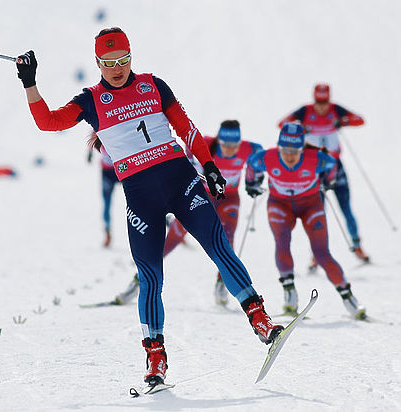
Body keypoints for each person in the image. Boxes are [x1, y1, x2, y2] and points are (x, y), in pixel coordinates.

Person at [15, 27, 284, 386]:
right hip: (141, 197)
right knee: (151, 277)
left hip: (180, 179)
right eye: (109, 62)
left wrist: (209, 166)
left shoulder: (153, 85)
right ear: (98, 62)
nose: (117, 68)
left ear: (131, 57)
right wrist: (30, 83)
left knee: (219, 246)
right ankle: (155, 357)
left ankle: (260, 319)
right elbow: (48, 122)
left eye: (123, 60)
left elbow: (186, 128)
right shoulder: (90, 100)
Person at [245, 122, 366, 319]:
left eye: (296, 151)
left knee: (321, 254)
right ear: (279, 147)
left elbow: (332, 164)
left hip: (311, 205)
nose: (290, 156)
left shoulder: (316, 158)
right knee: (282, 244)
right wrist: (251, 183)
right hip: (279, 204)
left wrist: (329, 180)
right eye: (285, 150)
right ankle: (290, 295)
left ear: (303, 149)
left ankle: (349, 297)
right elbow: (251, 165)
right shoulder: (268, 157)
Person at [162, 120, 263, 306]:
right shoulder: (207, 144)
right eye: (226, 145)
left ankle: (221, 283)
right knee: (176, 235)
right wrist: (189, 166)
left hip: (229, 198)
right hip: (202, 195)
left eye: (234, 146)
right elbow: (188, 147)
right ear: (219, 141)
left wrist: (254, 179)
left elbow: (261, 155)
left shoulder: (248, 149)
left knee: (228, 238)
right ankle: (140, 278)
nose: (230, 150)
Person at [278, 84, 368, 264]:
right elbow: (282, 124)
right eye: (319, 102)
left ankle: (357, 245)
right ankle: (317, 253)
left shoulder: (336, 109)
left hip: (336, 165)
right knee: (319, 213)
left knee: (346, 209)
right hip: (315, 168)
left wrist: (343, 122)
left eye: (324, 101)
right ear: (314, 99)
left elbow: (360, 120)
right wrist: (301, 126)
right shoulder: (305, 111)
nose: (322, 106)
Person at [87, 133, 120, 247]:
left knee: (139, 200)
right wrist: (89, 153)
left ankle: (164, 223)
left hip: (122, 170)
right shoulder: (99, 125)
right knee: (106, 204)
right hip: (107, 173)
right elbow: (92, 137)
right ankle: (107, 233)